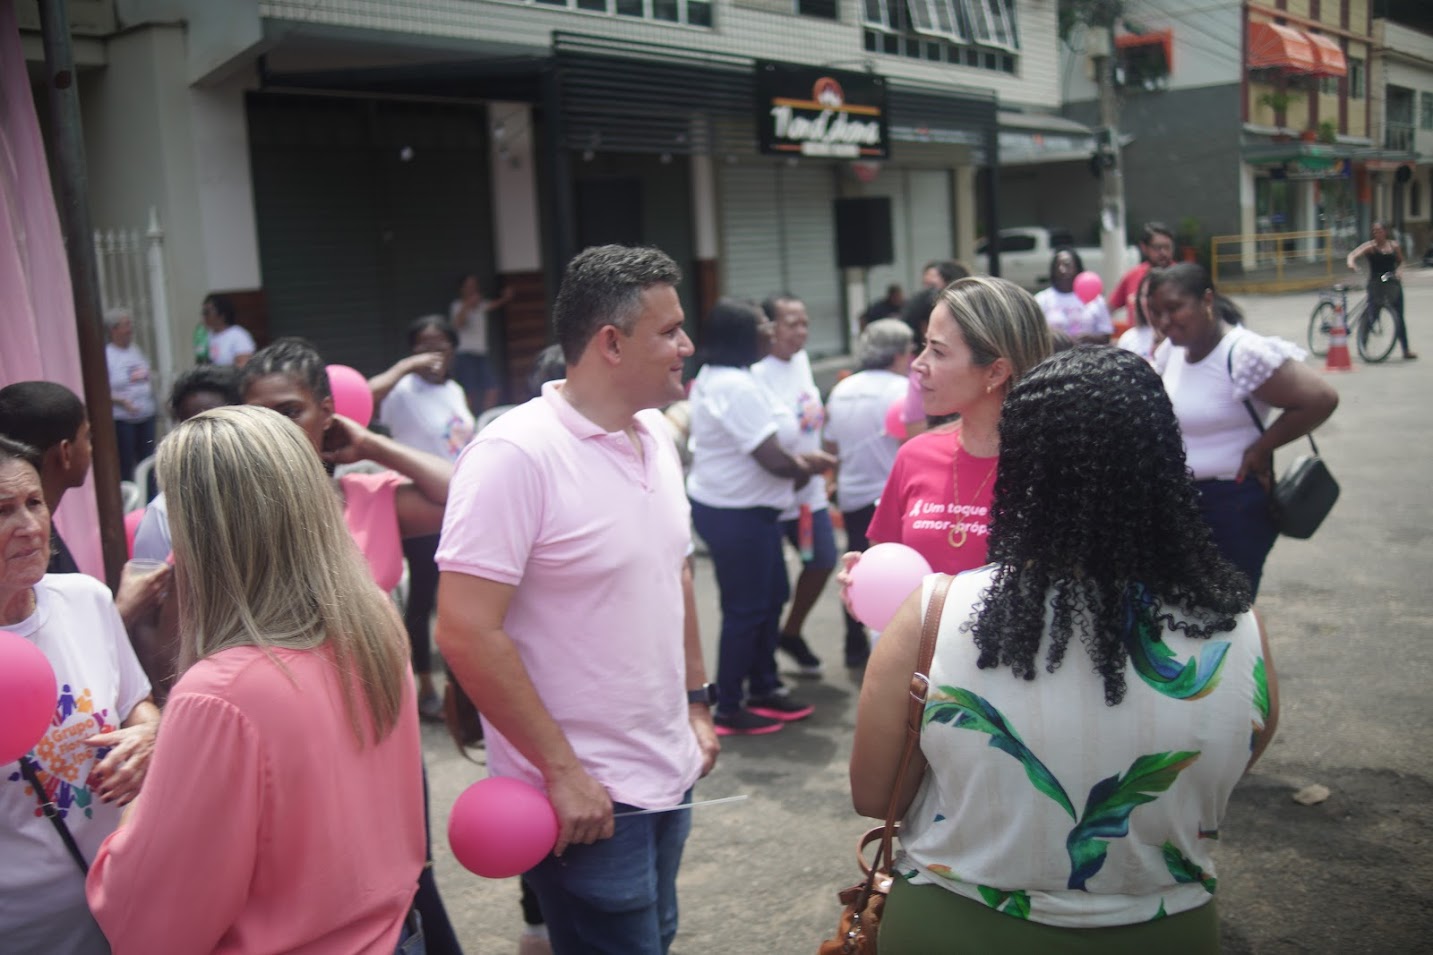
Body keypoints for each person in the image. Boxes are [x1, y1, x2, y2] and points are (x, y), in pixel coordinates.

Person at [850, 346, 1279, 952]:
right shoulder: (1238, 630)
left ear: (1021, 469)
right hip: (1165, 931)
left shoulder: (936, 615)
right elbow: (1229, 764)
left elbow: (875, 794)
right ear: (1165, 463)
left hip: (956, 928)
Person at [434, 245, 720, 954]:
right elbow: (465, 631)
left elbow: (676, 574)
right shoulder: (513, 455)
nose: (687, 346)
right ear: (611, 343)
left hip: (668, 767)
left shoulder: (655, 435)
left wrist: (696, 703)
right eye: (669, 331)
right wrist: (562, 771)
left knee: (656, 934)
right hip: (585, 796)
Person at [85, 406, 426, 954]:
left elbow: (151, 925)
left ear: (202, 534)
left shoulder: (219, 694)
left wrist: (138, 800)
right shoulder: (374, 624)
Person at [240, 337, 463, 955]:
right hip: (296, 745)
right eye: (259, 416)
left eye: (290, 412)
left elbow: (464, 494)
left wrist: (369, 445)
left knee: (410, 876)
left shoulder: (369, 498)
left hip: (384, 728)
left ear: (327, 414)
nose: (275, 430)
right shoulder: (235, 520)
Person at [0, 436, 160, 955]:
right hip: (24, 930)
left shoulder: (86, 599)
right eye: (3, 511)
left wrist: (148, 737)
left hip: (124, 897)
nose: (29, 526)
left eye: (34, 502)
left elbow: (136, 702)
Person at [1148, 263, 1339, 599]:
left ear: (1207, 300)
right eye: (1156, 312)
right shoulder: (1171, 352)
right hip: (1181, 503)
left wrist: (1262, 448)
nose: (1164, 322)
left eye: (1174, 308)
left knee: (1230, 610)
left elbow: (1320, 399)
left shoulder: (1243, 353)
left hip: (1232, 505)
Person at [688, 299, 834, 735]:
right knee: (746, 609)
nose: (770, 332)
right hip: (736, 512)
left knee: (771, 597)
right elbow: (772, 459)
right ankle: (729, 707)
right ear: (740, 336)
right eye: (763, 326)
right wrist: (809, 465)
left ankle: (764, 687)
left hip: (753, 510)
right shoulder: (734, 385)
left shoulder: (735, 376)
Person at [854, 277, 1052, 578]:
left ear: (995, 372)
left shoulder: (1051, 468)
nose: (918, 364)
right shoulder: (914, 455)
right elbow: (883, 560)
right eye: (924, 346)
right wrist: (861, 582)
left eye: (938, 351)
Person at [370, 315, 477, 720]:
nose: (432, 354)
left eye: (439, 345)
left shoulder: (454, 389)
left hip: (460, 505)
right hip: (420, 505)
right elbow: (364, 397)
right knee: (423, 597)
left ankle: (462, 688)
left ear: (453, 349)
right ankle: (425, 687)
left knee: (460, 599)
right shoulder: (402, 391)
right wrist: (406, 367)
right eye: (422, 346)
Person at [0, 382, 169, 631]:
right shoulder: (24, 558)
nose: (30, 527)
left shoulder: (81, 588)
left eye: (34, 503)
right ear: (65, 452)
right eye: (88, 437)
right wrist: (123, 610)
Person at [754, 293, 837, 678]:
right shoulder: (755, 372)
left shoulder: (801, 362)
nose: (802, 331)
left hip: (808, 496)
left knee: (820, 559)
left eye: (805, 323)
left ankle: (790, 633)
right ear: (769, 328)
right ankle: (762, 663)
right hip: (770, 496)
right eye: (792, 324)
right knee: (771, 587)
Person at [823, 319, 915, 668]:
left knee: (854, 570)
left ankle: (853, 643)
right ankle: (892, 651)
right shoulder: (903, 390)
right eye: (910, 351)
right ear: (898, 353)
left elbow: (831, 444)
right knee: (893, 575)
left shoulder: (842, 389)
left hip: (851, 494)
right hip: (890, 498)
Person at [132, 365, 244, 563]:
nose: (204, 437)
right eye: (192, 425)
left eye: (216, 424)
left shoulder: (272, 495)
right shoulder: (165, 513)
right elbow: (149, 578)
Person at [1346, 221, 1416, 360]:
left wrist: (1399, 271)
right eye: (1374, 231)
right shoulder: (1371, 247)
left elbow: (1401, 262)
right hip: (1376, 283)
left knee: (1399, 316)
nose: (1377, 233)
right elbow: (1353, 255)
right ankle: (1362, 345)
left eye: (1379, 231)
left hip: (1392, 283)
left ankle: (1405, 350)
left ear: (1385, 232)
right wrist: (1351, 263)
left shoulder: (1393, 246)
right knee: (1372, 314)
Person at [103, 308, 156, 483]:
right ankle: (132, 494)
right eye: (126, 325)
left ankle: (150, 495)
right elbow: (101, 389)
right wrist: (122, 402)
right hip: (124, 420)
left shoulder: (135, 350)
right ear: (113, 330)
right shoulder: (108, 355)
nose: (130, 329)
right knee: (126, 464)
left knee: (148, 462)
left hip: (146, 415)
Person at [449, 272, 514, 413]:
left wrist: (506, 297)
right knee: (469, 391)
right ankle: (469, 419)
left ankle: (484, 417)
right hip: (464, 354)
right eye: (469, 286)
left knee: (492, 388)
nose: (472, 289)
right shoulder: (457, 305)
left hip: (481, 353)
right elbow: (457, 325)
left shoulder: (481, 305)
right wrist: (467, 305)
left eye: (474, 286)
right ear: (462, 289)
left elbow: (495, 304)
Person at [1034, 248, 1113, 344]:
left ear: (1077, 268)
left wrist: (1089, 338)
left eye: (1067, 265)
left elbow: (1106, 335)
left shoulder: (1096, 299)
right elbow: (1035, 334)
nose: (1062, 270)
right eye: (1057, 266)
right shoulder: (1042, 299)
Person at [1109, 222, 1176, 325]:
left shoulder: (1181, 276)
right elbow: (1108, 309)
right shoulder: (1133, 275)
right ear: (1144, 248)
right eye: (1157, 248)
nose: (1163, 253)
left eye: (1167, 247)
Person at [1117, 269, 1161, 363]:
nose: (1148, 301)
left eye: (1154, 295)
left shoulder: (1178, 340)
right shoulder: (1129, 338)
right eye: (1144, 295)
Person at [201, 293, 255, 368]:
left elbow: (244, 366)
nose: (204, 316)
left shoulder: (238, 335)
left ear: (222, 315)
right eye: (203, 312)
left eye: (207, 312)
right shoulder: (207, 335)